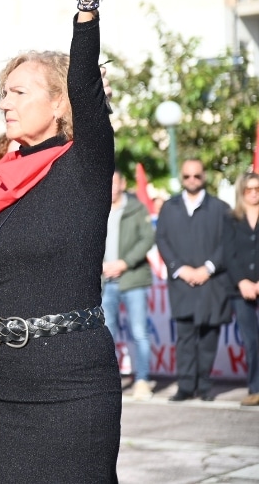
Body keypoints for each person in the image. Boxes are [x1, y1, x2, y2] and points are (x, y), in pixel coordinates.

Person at [0, 0, 121, 484]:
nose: (4, 102)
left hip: (75, 382)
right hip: (9, 385)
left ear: (59, 104)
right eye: (2, 93)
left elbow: (84, 79)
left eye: (18, 92)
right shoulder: (2, 182)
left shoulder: (84, 165)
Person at [156, 159, 233, 402]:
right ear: (182, 177)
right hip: (182, 283)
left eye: (196, 176)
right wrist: (180, 269)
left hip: (212, 283)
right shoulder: (169, 207)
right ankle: (186, 386)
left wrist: (208, 268)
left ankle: (205, 386)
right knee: (185, 337)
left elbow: (227, 243)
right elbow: (162, 240)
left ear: (204, 176)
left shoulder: (221, 208)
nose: (192, 180)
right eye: (187, 176)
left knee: (209, 337)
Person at [101, 171, 156, 401]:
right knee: (107, 334)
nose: (112, 187)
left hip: (132, 279)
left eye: (116, 182)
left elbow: (147, 239)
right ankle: (110, 381)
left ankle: (142, 380)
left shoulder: (137, 208)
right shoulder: (97, 209)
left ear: (123, 184)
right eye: (109, 182)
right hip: (105, 281)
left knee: (139, 332)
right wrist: (101, 265)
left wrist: (125, 263)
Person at [225, 171, 259, 407]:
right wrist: (242, 282)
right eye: (249, 189)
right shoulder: (231, 218)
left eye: (258, 189)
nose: (254, 193)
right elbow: (228, 254)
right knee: (251, 341)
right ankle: (255, 388)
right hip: (240, 288)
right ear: (241, 191)